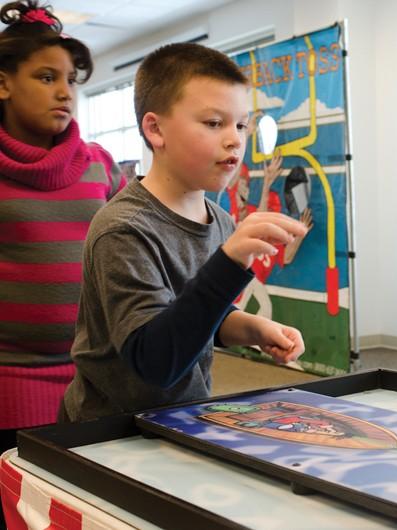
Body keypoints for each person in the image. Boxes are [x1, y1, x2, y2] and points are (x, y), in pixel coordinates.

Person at [60, 42, 308, 423]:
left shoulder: (220, 221)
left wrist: (256, 328)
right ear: (156, 129)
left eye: (241, 124)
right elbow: (155, 360)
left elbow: (201, 317)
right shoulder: (123, 229)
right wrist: (228, 262)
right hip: (108, 433)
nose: (235, 139)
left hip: (181, 416)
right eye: (214, 123)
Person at [0, 0, 125, 456]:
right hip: (9, 382)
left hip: (94, 377)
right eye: (46, 77)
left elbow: (133, 248)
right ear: (3, 84)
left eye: (70, 80)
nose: (65, 93)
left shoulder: (101, 166)